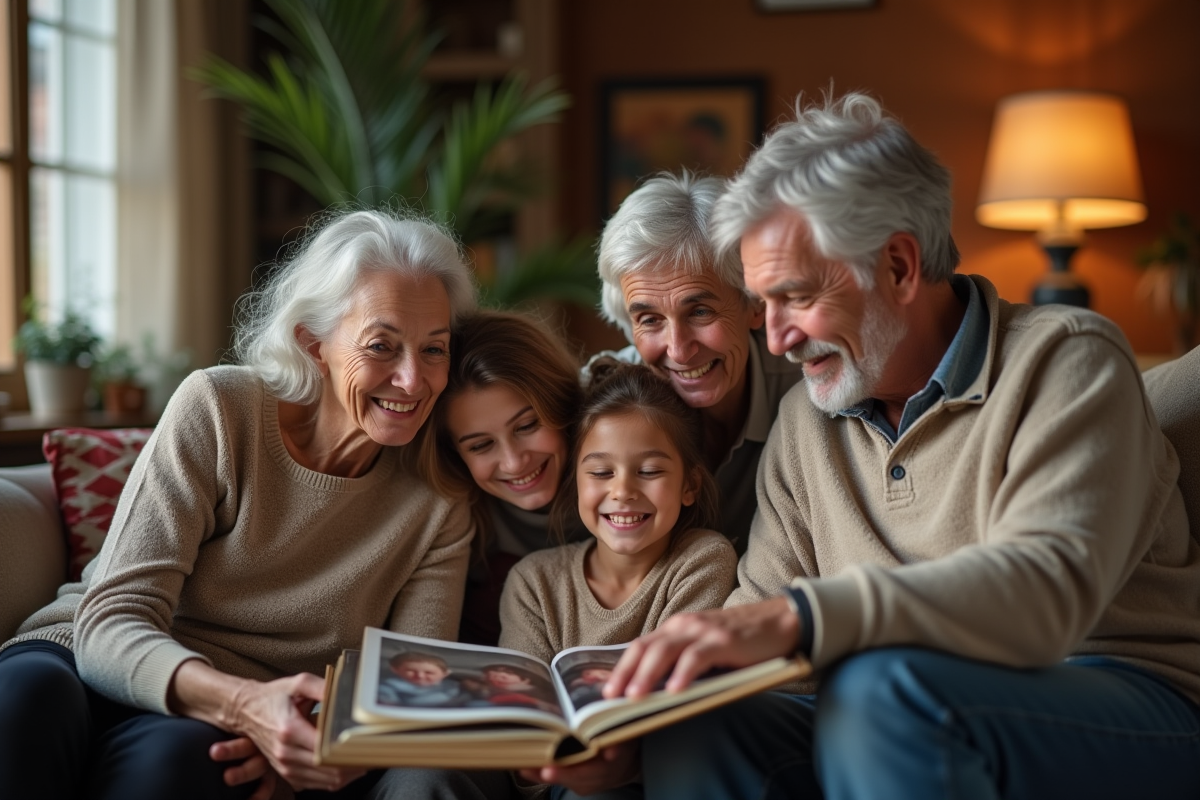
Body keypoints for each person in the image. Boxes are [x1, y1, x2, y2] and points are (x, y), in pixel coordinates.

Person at [604, 92, 1200, 799]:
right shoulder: (805, 420)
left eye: (795, 297)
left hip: (1113, 696)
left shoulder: (1067, 360)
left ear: (898, 265)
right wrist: (627, 731)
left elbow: (1047, 594)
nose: (776, 337)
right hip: (885, 708)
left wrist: (807, 618)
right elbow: (757, 609)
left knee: (881, 687)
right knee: (702, 725)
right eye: (765, 304)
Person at [0, 209, 482, 800]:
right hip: (92, 656)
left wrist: (320, 745)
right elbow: (113, 619)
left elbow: (407, 683)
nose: (413, 380)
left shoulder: (439, 500)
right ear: (314, 343)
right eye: (382, 345)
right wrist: (243, 703)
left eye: (434, 350)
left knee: (183, 764)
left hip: (223, 722)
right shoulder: (222, 409)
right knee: (22, 704)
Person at [503, 361, 738, 799]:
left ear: (690, 485)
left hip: (661, 774)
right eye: (601, 472)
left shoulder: (703, 560)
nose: (623, 491)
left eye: (649, 472)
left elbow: (676, 710)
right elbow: (520, 734)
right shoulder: (533, 582)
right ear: (576, 482)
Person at [595, 171, 803, 554]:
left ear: (754, 304)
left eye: (701, 311)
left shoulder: (809, 385)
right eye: (650, 320)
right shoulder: (599, 403)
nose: (677, 349)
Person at [420, 310, 587, 646]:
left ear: (564, 406)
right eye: (481, 445)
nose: (513, 462)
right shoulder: (452, 528)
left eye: (527, 426)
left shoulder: (628, 480)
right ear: (455, 454)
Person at [378, 652, 470, 708]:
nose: (420, 676)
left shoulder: (452, 686)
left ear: (445, 674)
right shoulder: (390, 685)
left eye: (429, 673)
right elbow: (389, 704)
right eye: (411, 671)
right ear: (395, 670)